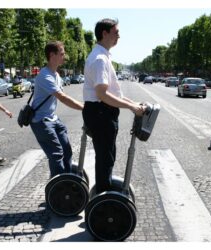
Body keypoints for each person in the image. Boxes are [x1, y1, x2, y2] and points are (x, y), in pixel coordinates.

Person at [83, 18, 144, 194]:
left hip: (101, 111)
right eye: (116, 32)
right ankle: (103, 199)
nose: (119, 36)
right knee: (105, 158)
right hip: (101, 112)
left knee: (107, 156)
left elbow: (114, 93)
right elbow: (102, 94)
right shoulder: (100, 59)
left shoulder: (102, 56)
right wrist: (131, 107)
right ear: (105, 33)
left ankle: (104, 192)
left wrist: (132, 103)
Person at [30, 41, 84, 178]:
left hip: (52, 118)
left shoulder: (57, 75)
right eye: (62, 53)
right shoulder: (45, 75)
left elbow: (64, 96)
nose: (64, 56)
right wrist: (84, 108)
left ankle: (67, 179)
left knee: (67, 151)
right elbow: (62, 97)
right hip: (41, 121)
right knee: (56, 154)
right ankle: (59, 190)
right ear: (52, 55)